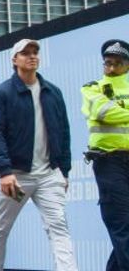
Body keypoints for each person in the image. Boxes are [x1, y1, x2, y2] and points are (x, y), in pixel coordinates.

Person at [0, 38, 76, 271]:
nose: (32, 56)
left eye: (35, 52)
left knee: (58, 227)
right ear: (14, 60)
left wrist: (64, 171)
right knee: (1, 228)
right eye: (26, 53)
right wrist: (5, 171)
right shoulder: (1, 93)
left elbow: (64, 131)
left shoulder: (53, 92)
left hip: (48, 177)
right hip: (16, 178)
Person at [80, 39, 129, 270]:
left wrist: (120, 111)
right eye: (107, 63)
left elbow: (114, 112)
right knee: (122, 224)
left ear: (127, 65)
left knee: (124, 230)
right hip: (109, 162)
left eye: (117, 63)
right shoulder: (92, 88)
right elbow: (103, 112)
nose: (110, 68)